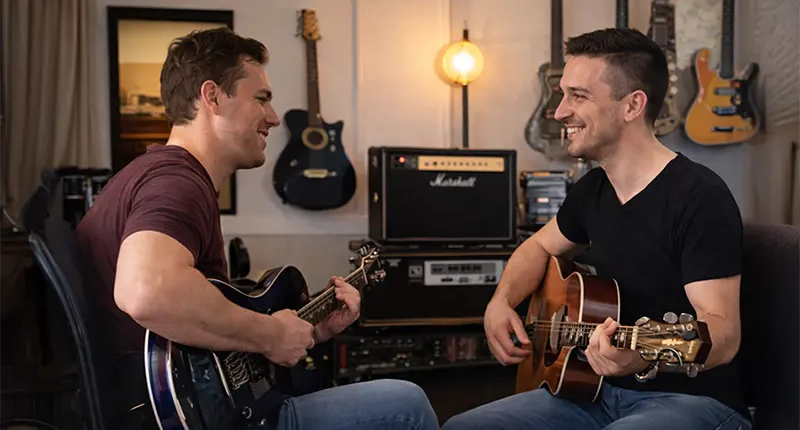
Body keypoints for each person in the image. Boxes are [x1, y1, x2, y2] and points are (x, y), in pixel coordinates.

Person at [75, 27, 439, 430]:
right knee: (406, 403)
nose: (274, 117)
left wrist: (308, 330)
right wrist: (269, 334)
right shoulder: (175, 182)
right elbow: (147, 292)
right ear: (212, 97)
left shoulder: (160, 174)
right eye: (261, 99)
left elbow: (207, 341)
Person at [442, 28, 750, 430]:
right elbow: (537, 248)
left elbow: (724, 334)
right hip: (592, 392)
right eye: (563, 94)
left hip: (692, 401)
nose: (559, 112)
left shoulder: (699, 197)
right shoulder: (592, 190)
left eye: (578, 96)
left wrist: (640, 356)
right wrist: (500, 303)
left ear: (632, 105)